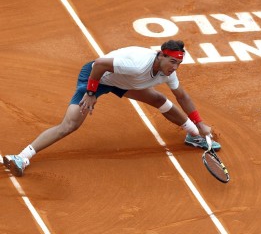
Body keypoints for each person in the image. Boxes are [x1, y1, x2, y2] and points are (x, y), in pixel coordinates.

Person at [3, 40, 221, 177]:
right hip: (97, 78)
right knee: (69, 125)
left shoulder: (168, 72)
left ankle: (193, 135)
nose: (175, 68)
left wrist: (199, 123)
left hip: (123, 82)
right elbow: (99, 64)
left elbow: (181, 95)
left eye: (178, 64)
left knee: (160, 100)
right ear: (161, 55)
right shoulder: (137, 64)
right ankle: (22, 157)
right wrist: (90, 93)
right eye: (172, 62)